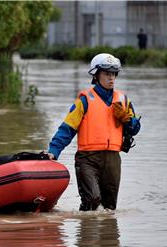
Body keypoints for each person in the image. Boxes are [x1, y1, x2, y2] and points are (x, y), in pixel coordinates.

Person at [46, 53, 141, 211]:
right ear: (96, 75)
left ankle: (107, 236)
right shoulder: (84, 100)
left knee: (110, 208)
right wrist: (53, 151)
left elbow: (135, 129)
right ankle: (85, 232)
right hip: (87, 160)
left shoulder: (123, 101)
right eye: (107, 73)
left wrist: (125, 118)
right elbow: (67, 129)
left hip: (112, 161)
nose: (111, 78)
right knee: (93, 200)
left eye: (113, 74)